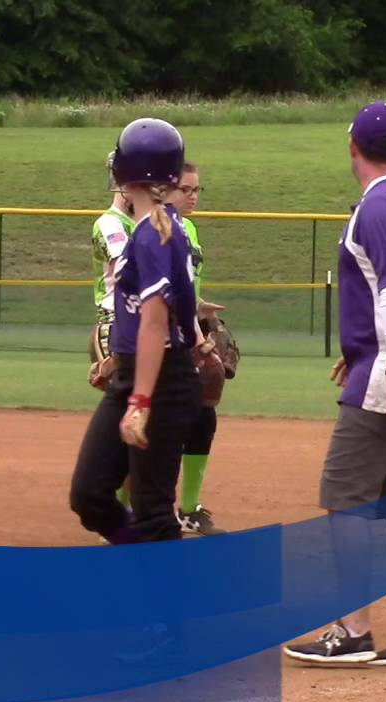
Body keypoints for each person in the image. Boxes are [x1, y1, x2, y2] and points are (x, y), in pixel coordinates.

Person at [284, 101, 386, 666]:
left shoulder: (377, 206)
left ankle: (352, 629)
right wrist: (363, 349)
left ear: (353, 146)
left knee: (346, 500)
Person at [67, 117, 206, 543]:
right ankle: (144, 575)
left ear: (126, 173)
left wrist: (141, 400)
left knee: (153, 513)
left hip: (159, 384)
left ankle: (172, 605)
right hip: (133, 372)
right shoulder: (155, 229)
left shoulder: (154, 234)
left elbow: (154, 320)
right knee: (90, 494)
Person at [167, 162, 228, 536]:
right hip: (164, 339)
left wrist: (199, 308)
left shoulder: (189, 228)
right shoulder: (157, 230)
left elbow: (185, 289)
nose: (192, 197)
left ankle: (189, 508)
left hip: (189, 332)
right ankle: (123, 510)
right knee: (160, 426)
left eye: (196, 190)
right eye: (185, 189)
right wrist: (195, 333)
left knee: (203, 418)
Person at [86, 152, 138, 511]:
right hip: (115, 327)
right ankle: (117, 507)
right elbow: (130, 271)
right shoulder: (110, 224)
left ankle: (134, 504)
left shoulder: (152, 223)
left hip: (145, 325)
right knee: (128, 422)